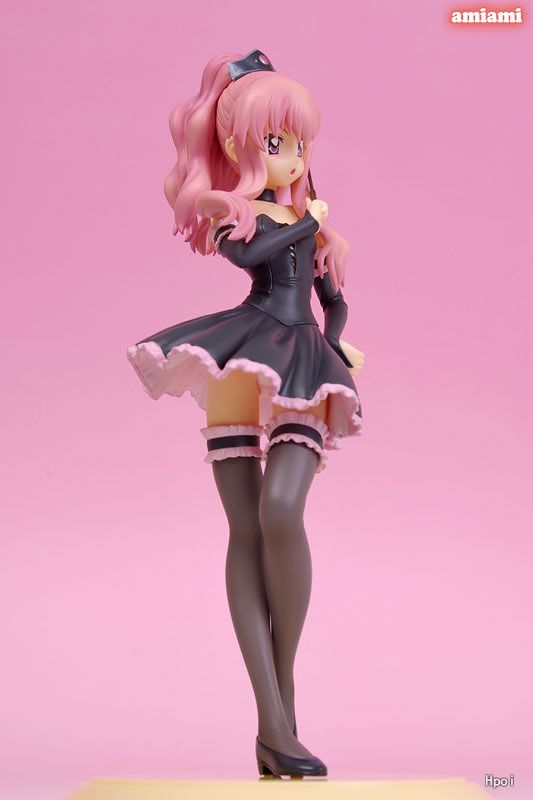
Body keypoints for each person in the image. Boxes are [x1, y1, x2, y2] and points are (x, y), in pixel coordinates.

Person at [126, 49, 364, 778]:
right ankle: (273, 722)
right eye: (278, 143)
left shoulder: (311, 226)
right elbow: (249, 255)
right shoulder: (243, 213)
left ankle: (280, 705)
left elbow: (332, 303)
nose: (294, 158)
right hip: (247, 347)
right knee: (246, 525)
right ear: (238, 146)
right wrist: (308, 220)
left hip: (302, 356)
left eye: (300, 144)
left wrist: (339, 341)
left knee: (281, 509)